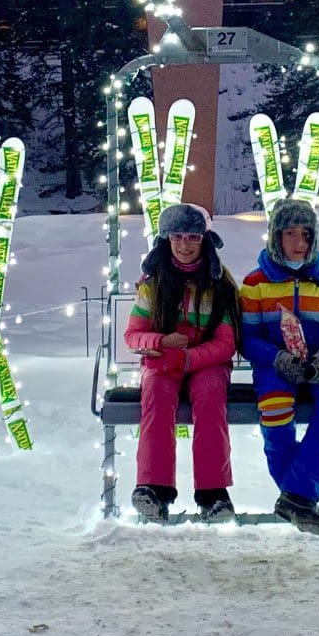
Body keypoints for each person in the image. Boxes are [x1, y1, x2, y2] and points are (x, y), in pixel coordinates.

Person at [239, 198, 319, 535]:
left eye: (305, 234)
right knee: (276, 411)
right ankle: (300, 499)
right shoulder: (255, 283)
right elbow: (247, 339)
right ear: (275, 236)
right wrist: (276, 358)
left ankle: (296, 497)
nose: (298, 243)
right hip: (276, 366)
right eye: (289, 233)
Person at [123, 203, 242, 524]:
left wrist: (189, 356)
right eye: (177, 237)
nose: (185, 244)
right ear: (166, 240)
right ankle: (153, 487)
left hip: (207, 363)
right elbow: (133, 336)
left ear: (205, 239)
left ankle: (213, 492)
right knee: (156, 396)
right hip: (163, 363)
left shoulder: (220, 285)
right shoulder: (153, 284)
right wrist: (161, 343)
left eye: (193, 237)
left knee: (211, 395)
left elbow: (226, 343)